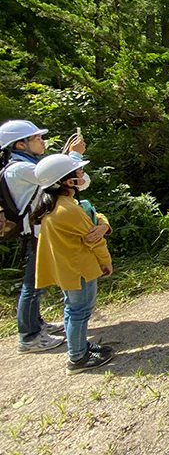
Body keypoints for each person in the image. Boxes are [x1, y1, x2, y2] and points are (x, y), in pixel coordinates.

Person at [0, 120, 88, 354]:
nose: (41, 141)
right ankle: (28, 336)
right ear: (20, 144)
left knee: (36, 282)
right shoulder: (19, 169)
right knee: (33, 284)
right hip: (37, 232)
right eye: (36, 138)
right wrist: (74, 156)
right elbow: (64, 177)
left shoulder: (26, 164)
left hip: (40, 230)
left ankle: (35, 325)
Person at [31, 154, 115, 374]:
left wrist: (103, 224)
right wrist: (105, 261)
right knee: (80, 311)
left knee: (72, 309)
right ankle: (78, 357)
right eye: (78, 173)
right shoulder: (68, 210)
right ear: (67, 182)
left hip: (68, 268)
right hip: (80, 268)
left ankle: (79, 347)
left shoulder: (57, 205)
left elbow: (96, 218)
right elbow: (93, 237)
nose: (82, 175)